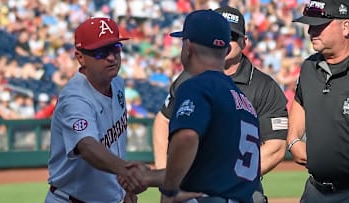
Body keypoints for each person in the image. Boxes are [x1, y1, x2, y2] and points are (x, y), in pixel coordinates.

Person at [119, 9, 261, 203]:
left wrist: (169, 190)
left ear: (188, 47)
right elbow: (206, 170)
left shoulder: (197, 86)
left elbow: (186, 138)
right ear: (226, 50)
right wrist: (149, 176)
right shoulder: (243, 101)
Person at [152, 6, 288, 203]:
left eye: (233, 36)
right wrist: (166, 173)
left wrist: (171, 185)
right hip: (222, 191)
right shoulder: (191, 81)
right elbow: (162, 121)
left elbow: (275, 148)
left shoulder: (262, 86)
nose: (228, 42)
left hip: (218, 191)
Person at [44, 17, 147, 203]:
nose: (111, 57)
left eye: (115, 48)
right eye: (100, 52)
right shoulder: (75, 98)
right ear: (80, 57)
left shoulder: (117, 83)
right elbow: (87, 146)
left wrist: (124, 189)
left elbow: (114, 147)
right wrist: (128, 171)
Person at [288, 0, 349, 202]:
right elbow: (300, 101)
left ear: (346, 26)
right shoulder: (308, 67)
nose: (310, 31)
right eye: (309, 25)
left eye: (319, 25)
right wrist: (294, 139)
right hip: (316, 190)